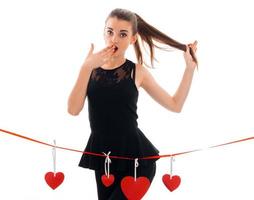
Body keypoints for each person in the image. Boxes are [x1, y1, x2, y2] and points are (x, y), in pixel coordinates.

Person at [67, 8, 197, 200]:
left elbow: (175, 105)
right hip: (105, 160)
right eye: (110, 32)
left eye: (122, 34)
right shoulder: (90, 68)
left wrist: (189, 69)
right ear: (104, 32)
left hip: (137, 162)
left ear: (133, 39)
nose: (114, 39)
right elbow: (73, 109)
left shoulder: (138, 72)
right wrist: (86, 67)